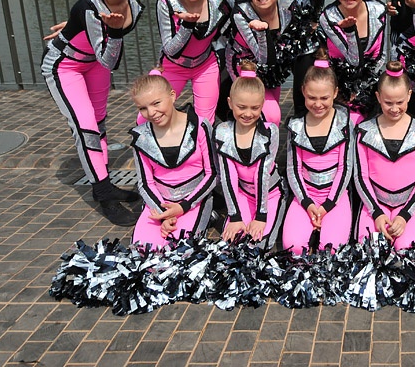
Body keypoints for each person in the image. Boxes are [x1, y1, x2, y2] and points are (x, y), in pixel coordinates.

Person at [42, 0, 143, 226]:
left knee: (99, 124)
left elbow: (104, 58)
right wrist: (107, 30)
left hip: (94, 64)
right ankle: (103, 193)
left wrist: (87, 27)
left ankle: (105, 182)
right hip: (65, 66)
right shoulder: (89, 6)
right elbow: (110, 58)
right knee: (85, 127)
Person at [227, 0, 315, 126]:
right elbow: (262, 57)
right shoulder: (241, 13)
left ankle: (267, 148)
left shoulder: (288, 5)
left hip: (273, 67)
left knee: (270, 117)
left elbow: (289, 41)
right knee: (270, 114)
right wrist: (261, 32)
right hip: (246, 66)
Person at [129, 71, 216, 249]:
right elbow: (145, 182)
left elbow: (212, 174)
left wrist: (183, 207)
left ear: (173, 95)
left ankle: (208, 216)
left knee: (178, 250)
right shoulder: (140, 136)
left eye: (156, 103)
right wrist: (163, 213)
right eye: (143, 108)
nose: (151, 112)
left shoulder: (199, 126)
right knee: (143, 252)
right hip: (159, 204)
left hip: (193, 202)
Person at [352, 62, 415, 249]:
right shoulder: (364, 131)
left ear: (409, 96)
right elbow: (361, 176)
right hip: (374, 206)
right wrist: (376, 213)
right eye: (388, 102)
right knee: (373, 251)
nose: (394, 108)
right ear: (378, 97)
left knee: (406, 253)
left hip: (408, 208)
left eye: (400, 102)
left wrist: (405, 215)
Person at [154, 0, 231, 124]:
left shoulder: (219, 0)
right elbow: (170, 49)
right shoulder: (166, 4)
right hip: (173, 65)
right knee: (149, 115)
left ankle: (204, 153)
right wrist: (187, 27)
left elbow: (230, 29)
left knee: (205, 122)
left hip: (205, 65)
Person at [283, 55, 354, 253]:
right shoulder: (296, 126)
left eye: (324, 98)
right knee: (294, 248)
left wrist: (328, 205)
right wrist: (306, 202)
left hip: (335, 198)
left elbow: (345, 167)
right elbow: (293, 168)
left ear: (335, 93)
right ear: (303, 91)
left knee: (331, 250)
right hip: (305, 197)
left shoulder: (344, 122)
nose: (318, 104)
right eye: (312, 97)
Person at [214, 61, 286, 248]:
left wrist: (261, 216)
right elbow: (227, 176)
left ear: (262, 105)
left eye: (254, 108)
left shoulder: (270, 132)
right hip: (242, 194)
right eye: (242, 107)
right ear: (230, 103)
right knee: (233, 244)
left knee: (259, 245)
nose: (248, 113)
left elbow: (262, 173)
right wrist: (235, 216)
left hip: (269, 194)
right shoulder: (222, 132)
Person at [319, 0, 390, 123]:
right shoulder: (329, 17)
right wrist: (350, 32)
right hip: (339, 89)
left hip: (369, 84)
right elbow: (353, 59)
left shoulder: (378, 11)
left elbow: (381, 56)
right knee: (351, 122)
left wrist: (362, 89)